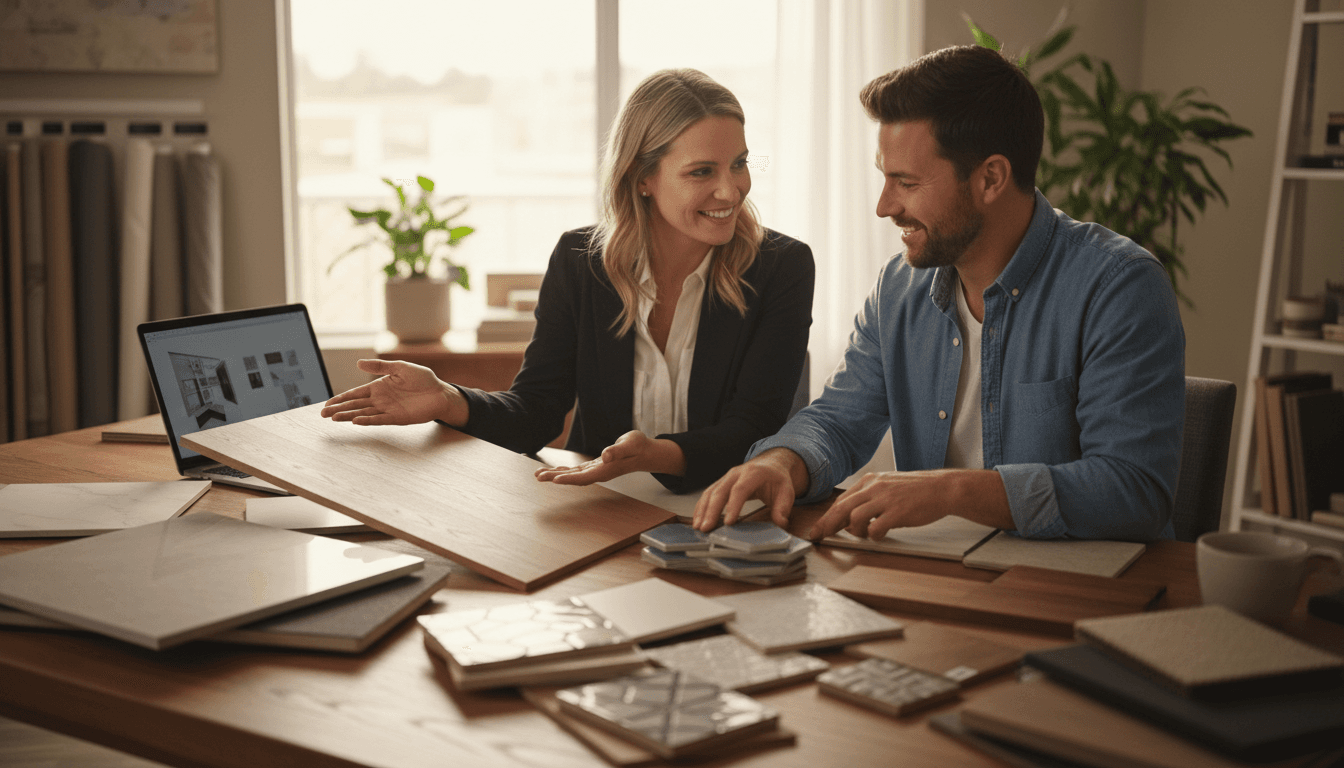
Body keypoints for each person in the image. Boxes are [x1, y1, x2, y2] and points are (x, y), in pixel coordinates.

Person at [692, 45, 1184, 541]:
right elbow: (839, 418)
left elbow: (1135, 489)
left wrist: (949, 492)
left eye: (905, 183)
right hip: (940, 575)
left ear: (990, 178)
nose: (885, 206)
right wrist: (783, 461)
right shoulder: (898, 288)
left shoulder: (1118, 287)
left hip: (1073, 591)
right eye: (885, 179)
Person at [321, 69, 815, 494]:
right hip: (602, 508)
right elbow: (536, 411)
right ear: (643, 177)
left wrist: (655, 455)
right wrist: (449, 400)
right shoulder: (582, 263)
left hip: (727, 510)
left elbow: (755, 431)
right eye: (702, 171)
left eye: (739, 163)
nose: (731, 190)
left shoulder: (782, 267)